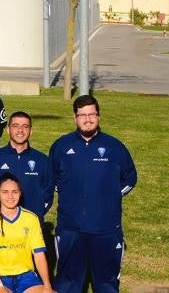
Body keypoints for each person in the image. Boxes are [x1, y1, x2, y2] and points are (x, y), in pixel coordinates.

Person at [49, 95, 137, 293]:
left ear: (98, 116)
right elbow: (51, 178)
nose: (87, 119)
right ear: (75, 117)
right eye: (82, 115)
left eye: (92, 114)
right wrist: (69, 193)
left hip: (106, 227)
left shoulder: (115, 147)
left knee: (106, 283)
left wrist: (111, 195)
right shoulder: (61, 146)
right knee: (68, 283)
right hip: (70, 227)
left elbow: (130, 178)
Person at [0, 174, 53, 293]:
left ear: (20, 193)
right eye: (5, 192)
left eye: (15, 191)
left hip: (26, 277)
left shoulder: (31, 218)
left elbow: (39, 256)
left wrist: (47, 285)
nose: (10, 196)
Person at [0, 112, 52, 224]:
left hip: (32, 226)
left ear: (31, 131)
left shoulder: (42, 160)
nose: (20, 130)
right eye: (15, 126)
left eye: (25, 126)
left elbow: (48, 193)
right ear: (8, 130)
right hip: (0, 223)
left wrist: (37, 212)